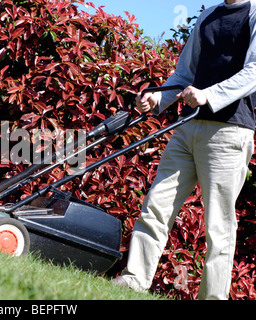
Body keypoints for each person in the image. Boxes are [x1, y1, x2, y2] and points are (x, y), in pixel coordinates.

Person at [114, 0, 256, 300]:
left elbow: (254, 71)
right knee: (156, 204)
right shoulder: (208, 16)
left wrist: (208, 95)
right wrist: (158, 99)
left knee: (219, 226)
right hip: (188, 128)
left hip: (229, 132)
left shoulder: (254, 13)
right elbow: (184, 73)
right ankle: (133, 281)